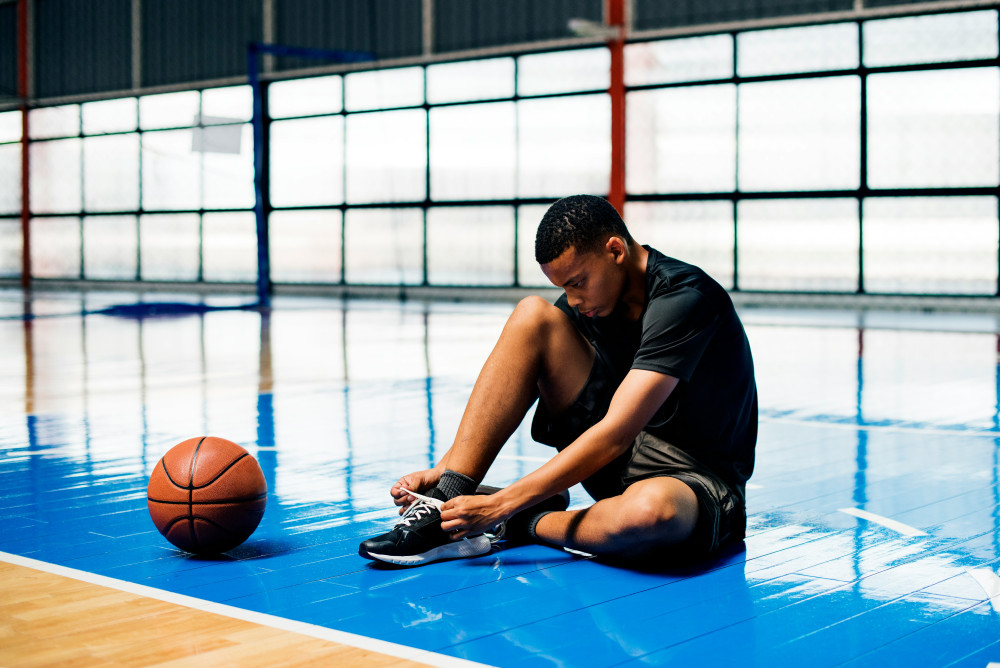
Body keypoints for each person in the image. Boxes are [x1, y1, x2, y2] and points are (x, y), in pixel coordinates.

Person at [359, 194, 757, 567]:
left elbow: (616, 433)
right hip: (617, 467)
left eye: (577, 282)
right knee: (532, 316)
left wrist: (504, 506)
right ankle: (445, 506)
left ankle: (526, 521)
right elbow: (515, 383)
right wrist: (446, 472)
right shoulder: (591, 303)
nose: (573, 299)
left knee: (648, 514)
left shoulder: (685, 296)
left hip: (692, 481)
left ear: (615, 251)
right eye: (563, 287)